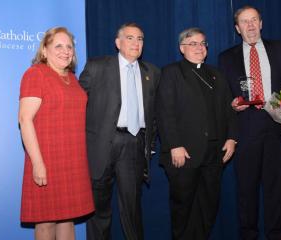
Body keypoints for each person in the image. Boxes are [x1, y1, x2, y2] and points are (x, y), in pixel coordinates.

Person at [218, 6, 281, 239]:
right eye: (244, 21)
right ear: (237, 28)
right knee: (246, 192)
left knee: (275, 191)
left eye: (254, 20)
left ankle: (275, 235)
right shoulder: (226, 58)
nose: (250, 25)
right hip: (245, 131)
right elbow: (223, 100)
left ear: (261, 23)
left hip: (276, 129)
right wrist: (232, 105)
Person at [79, 23, 160, 240]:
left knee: (132, 208)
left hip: (134, 144)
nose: (136, 43)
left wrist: (149, 146)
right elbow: (76, 106)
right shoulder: (97, 66)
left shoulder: (152, 72)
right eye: (130, 38)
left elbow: (154, 114)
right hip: (102, 145)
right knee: (98, 209)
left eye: (140, 39)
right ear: (118, 43)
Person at [157, 27, 238, 240]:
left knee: (209, 206)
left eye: (203, 43)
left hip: (214, 153)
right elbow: (165, 111)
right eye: (193, 43)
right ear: (182, 48)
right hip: (185, 153)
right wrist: (174, 145)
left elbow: (228, 110)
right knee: (183, 208)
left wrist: (231, 138)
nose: (199, 48)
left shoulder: (216, 74)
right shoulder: (171, 72)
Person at [18, 27, 94, 240]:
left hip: (73, 160)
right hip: (47, 159)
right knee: (46, 222)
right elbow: (25, 120)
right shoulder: (35, 74)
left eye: (69, 46)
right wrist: (38, 163)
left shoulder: (72, 78)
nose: (65, 51)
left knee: (68, 219)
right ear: (45, 50)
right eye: (58, 46)